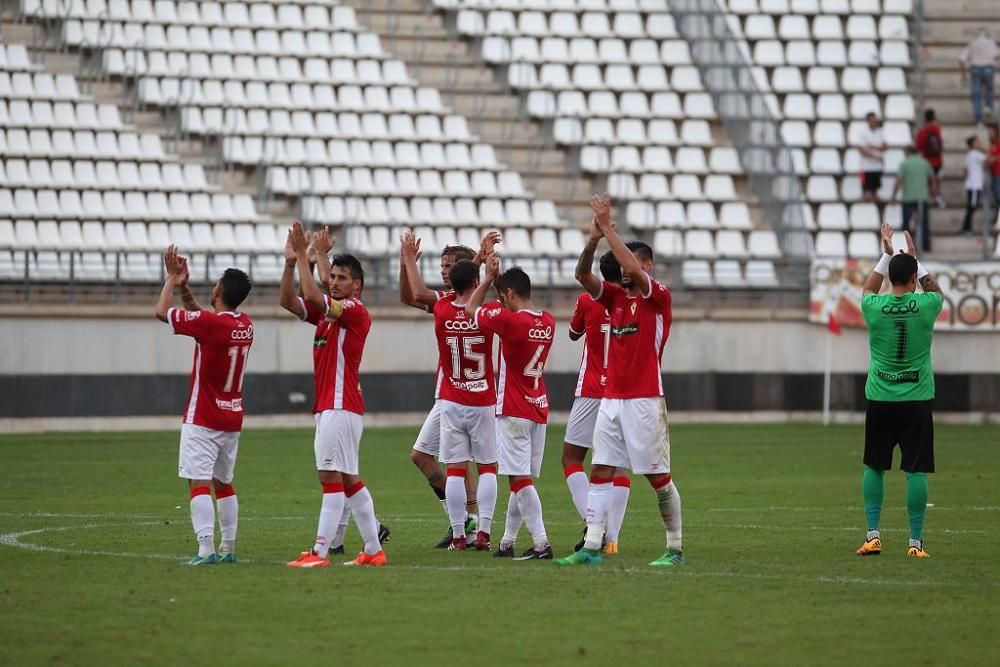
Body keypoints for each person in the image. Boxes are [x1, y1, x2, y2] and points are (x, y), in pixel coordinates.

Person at [555, 194, 683, 568]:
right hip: (611, 399)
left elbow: (636, 274)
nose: (627, 269)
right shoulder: (613, 298)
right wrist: (594, 239)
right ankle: (592, 547)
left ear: (648, 265)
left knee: (658, 477)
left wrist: (610, 228)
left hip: (644, 398)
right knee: (600, 470)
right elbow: (582, 275)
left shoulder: (657, 298)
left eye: (635, 262)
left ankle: (674, 548)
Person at [281, 221, 387, 568]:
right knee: (348, 480)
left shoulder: (354, 311)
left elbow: (313, 295)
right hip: (335, 406)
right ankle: (373, 550)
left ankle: (320, 553)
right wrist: (291, 263)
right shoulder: (329, 318)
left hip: (340, 406)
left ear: (356, 286)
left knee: (330, 478)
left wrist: (304, 254)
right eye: (334, 277)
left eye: (343, 278)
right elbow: (289, 301)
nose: (335, 282)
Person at [398, 234, 499, 548]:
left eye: (449, 266)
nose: (443, 271)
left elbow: (414, 294)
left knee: (456, 462)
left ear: (464, 271)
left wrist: (407, 260)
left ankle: (466, 525)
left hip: (453, 395)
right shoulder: (476, 308)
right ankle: (470, 523)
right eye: (441, 265)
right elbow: (407, 295)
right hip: (472, 394)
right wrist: (406, 265)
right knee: (432, 458)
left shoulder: (444, 305)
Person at [155, 246, 253, 565]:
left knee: (198, 482)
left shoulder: (211, 326)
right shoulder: (244, 324)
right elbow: (204, 318)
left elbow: (161, 311)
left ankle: (205, 549)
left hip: (203, 417)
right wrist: (185, 287)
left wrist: (171, 279)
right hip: (232, 417)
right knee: (223, 482)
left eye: (215, 284)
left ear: (220, 291)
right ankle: (228, 549)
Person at [856, 224, 942, 559]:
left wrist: (886, 254)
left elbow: (866, 289)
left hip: (880, 397)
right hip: (916, 398)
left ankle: (873, 536)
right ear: (912, 278)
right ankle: (915, 543)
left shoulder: (874, 307)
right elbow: (936, 290)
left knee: (874, 466)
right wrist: (915, 261)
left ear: (892, 279)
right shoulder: (927, 306)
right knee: (915, 470)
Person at [464, 258, 556, 560]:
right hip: (538, 406)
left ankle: (542, 542)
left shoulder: (509, 321)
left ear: (509, 295)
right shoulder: (549, 321)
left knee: (519, 480)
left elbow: (469, 310)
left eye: (504, 297)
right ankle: (507, 542)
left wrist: (488, 280)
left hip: (514, 408)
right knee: (521, 478)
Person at [562, 250, 632, 555]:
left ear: (601, 275)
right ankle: (612, 538)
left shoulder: (587, 300)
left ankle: (594, 526)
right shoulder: (634, 302)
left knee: (571, 458)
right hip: (625, 392)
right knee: (618, 466)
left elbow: (573, 333)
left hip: (591, 389)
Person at [892, 146, 937, 252]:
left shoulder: (905, 163)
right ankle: (925, 246)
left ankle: (908, 247)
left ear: (908, 152)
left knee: (906, 224)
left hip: (908, 197)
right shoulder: (924, 163)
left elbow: (899, 180)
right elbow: (932, 179)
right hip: (922, 197)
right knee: (924, 223)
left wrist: (893, 196)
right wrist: (933, 193)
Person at [959, 29, 997, 124]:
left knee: (976, 96)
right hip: (988, 68)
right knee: (989, 89)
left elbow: (961, 59)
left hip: (975, 69)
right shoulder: (991, 42)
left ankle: (978, 120)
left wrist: (963, 76)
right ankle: (988, 106)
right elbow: (996, 55)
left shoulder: (972, 43)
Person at [914, 109, 945, 207]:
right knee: (936, 180)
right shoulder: (938, 129)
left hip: (927, 161)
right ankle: (937, 198)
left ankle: (929, 200)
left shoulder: (923, 131)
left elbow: (918, 146)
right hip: (938, 160)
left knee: (928, 182)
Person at [857, 112, 887, 203]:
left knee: (876, 195)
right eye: (872, 120)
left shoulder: (880, 132)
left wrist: (872, 146)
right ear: (868, 121)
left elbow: (885, 146)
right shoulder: (863, 133)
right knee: (867, 195)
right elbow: (862, 150)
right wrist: (875, 155)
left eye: (875, 119)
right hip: (866, 167)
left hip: (877, 167)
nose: (874, 121)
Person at [961, 135, 987, 236]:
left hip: (971, 185)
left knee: (971, 208)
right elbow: (989, 160)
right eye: (978, 141)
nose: (980, 143)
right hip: (974, 186)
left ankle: (966, 228)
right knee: (972, 207)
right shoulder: (976, 154)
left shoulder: (969, 154)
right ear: (973, 144)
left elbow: (964, 169)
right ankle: (967, 229)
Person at [986, 122, 1000, 220]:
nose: (990, 133)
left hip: (998, 173)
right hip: (993, 173)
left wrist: (993, 159)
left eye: (991, 131)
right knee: (995, 195)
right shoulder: (991, 144)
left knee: (998, 195)